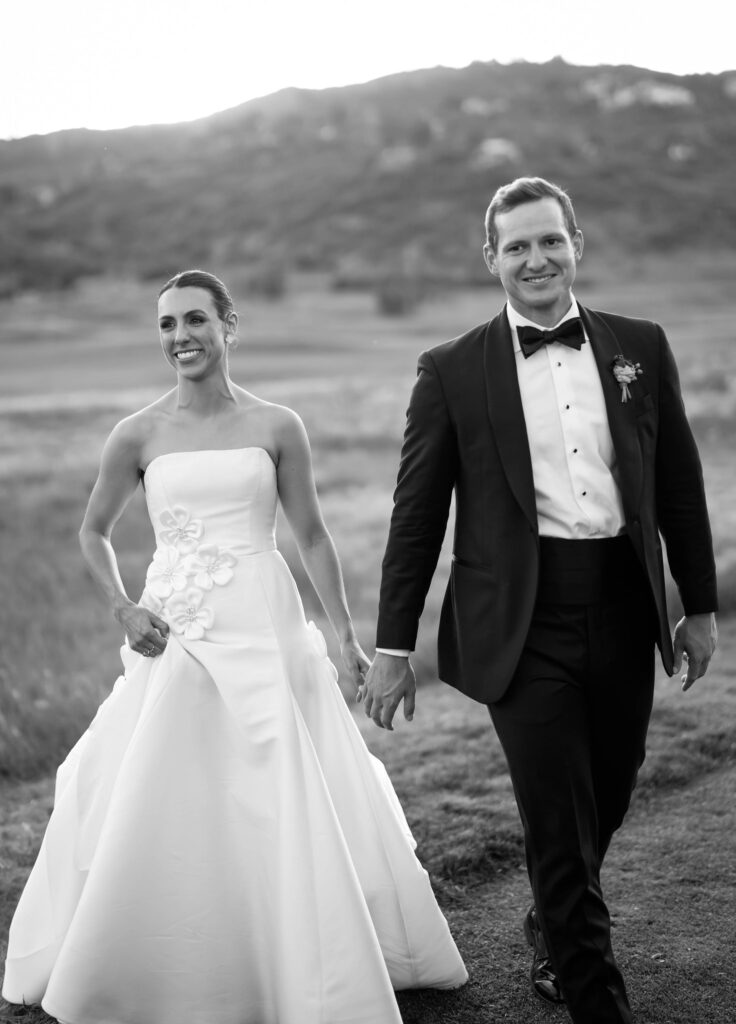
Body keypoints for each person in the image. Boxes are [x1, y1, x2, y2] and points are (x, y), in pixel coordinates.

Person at [2, 269, 467, 1024]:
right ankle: (172, 957)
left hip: (264, 619)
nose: (179, 337)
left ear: (229, 326)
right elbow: (92, 531)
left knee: (277, 773)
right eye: (166, 326)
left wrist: (346, 638)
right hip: (175, 630)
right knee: (168, 773)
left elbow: (310, 534)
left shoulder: (279, 425)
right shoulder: (137, 434)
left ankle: (292, 955)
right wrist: (124, 610)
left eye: (194, 320)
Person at [361, 177, 718, 1024]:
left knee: (613, 783)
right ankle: (596, 995)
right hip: (517, 623)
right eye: (516, 245)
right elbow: (416, 517)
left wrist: (696, 605)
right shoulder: (450, 370)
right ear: (491, 259)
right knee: (556, 817)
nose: (535, 258)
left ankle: (551, 923)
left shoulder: (641, 346)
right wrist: (392, 645)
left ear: (576, 245)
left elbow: (678, 483)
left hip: (625, 605)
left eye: (549, 240)